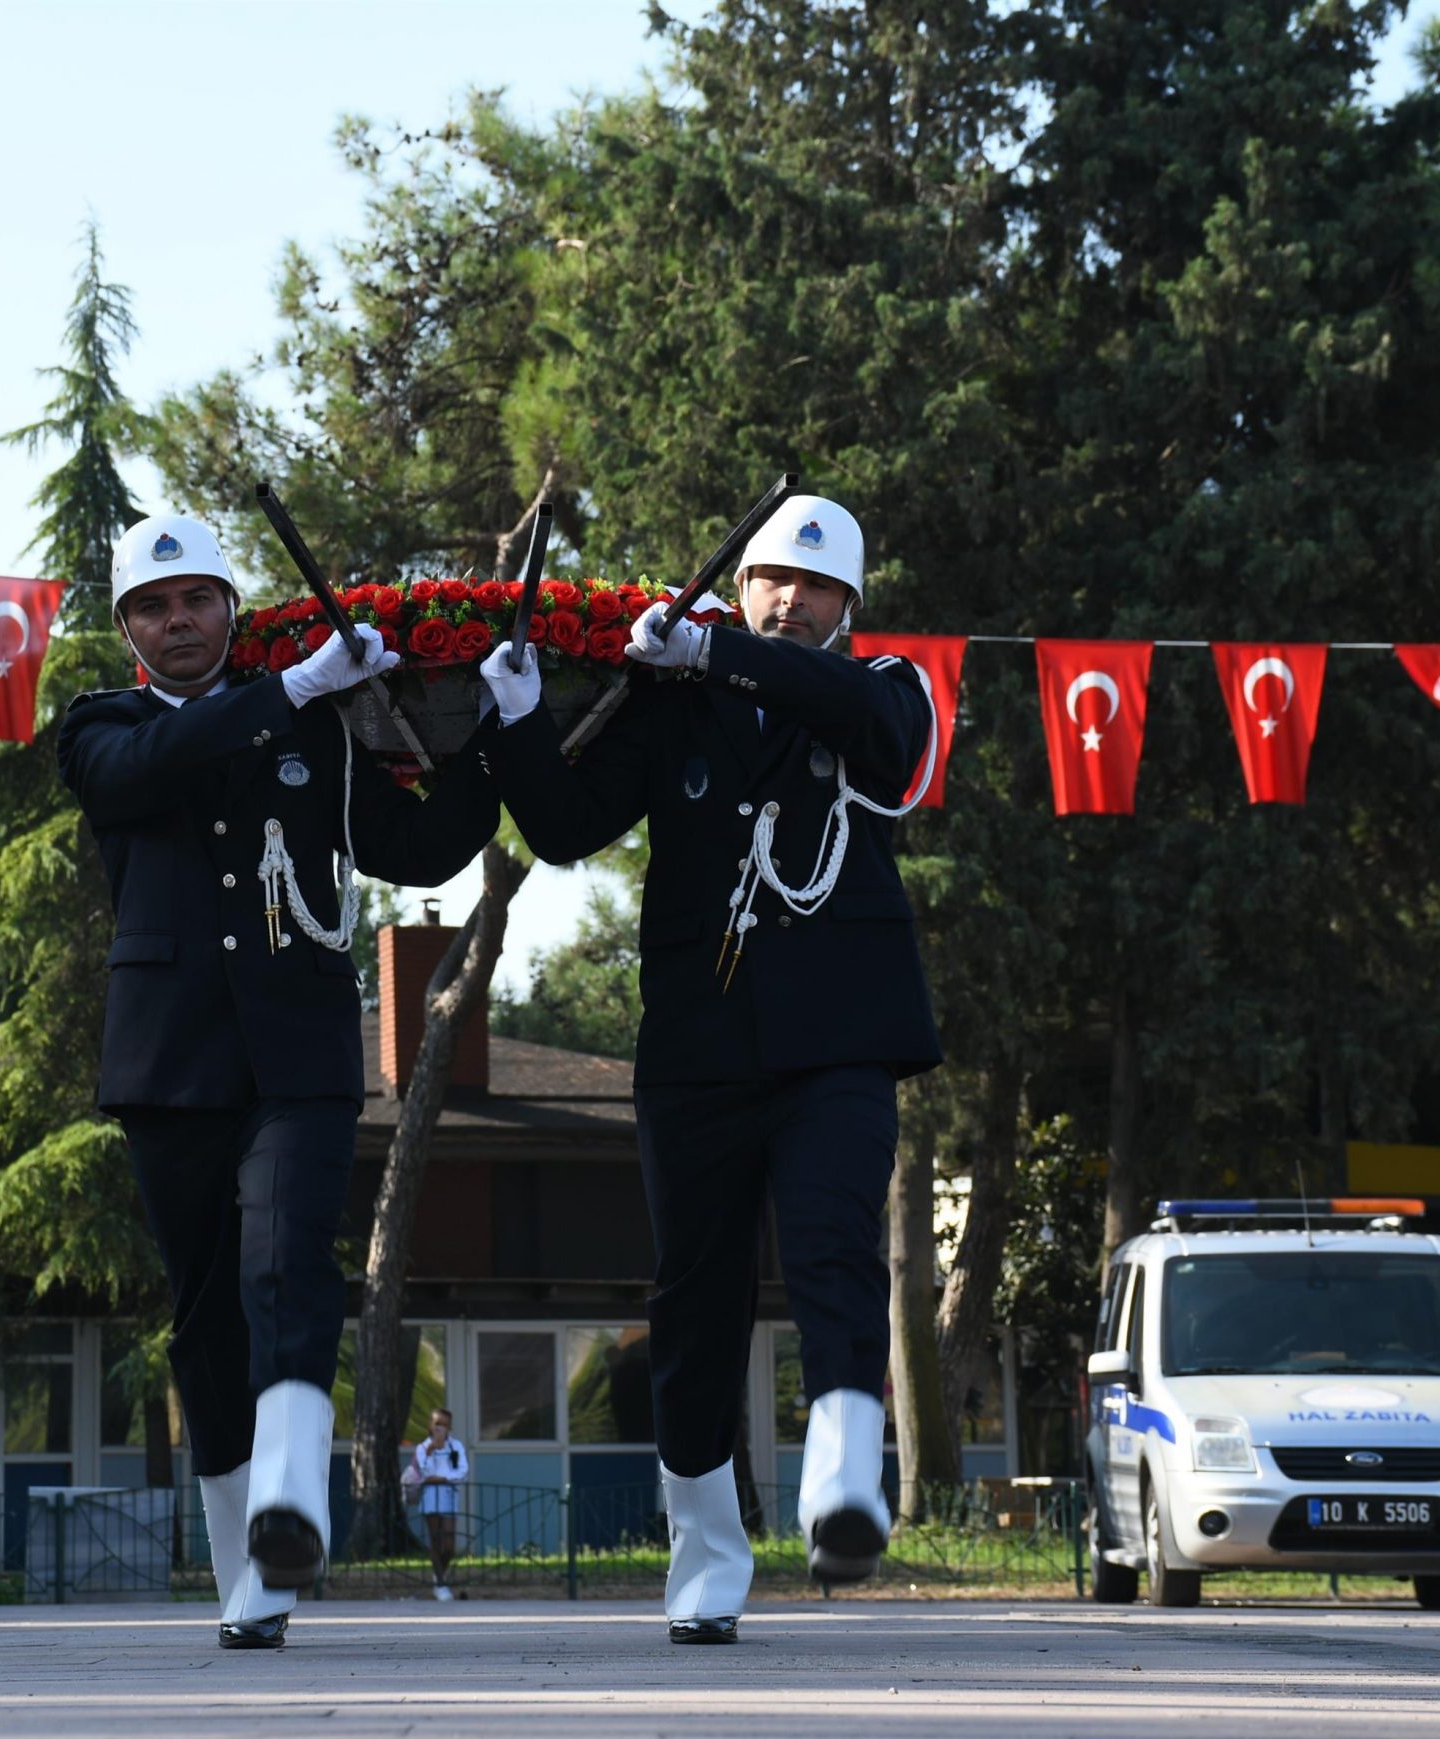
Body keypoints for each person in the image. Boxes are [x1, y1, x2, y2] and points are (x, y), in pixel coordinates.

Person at [479, 495, 941, 1644]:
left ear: (848, 605)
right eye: (768, 580)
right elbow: (567, 825)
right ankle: (705, 1555)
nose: (789, 598)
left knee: (835, 1247)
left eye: (815, 585)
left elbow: (887, 743)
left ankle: (842, 1481)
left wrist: (715, 650)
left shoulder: (886, 686)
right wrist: (519, 720)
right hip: (697, 1045)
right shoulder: (673, 702)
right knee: (694, 1297)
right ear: (738, 588)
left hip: (839, 1039)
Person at [54, 513, 501, 1649]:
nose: (179, 621)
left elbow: (422, 847)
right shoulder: (101, 725)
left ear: (230, 608)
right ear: (127, 631)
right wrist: (294, 686)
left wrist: (488, 721)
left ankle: (294, 1500)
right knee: (205, 1316)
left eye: (197, 598)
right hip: (169, 1060)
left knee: (286, 1260)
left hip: (299, 1050)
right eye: (153, 607)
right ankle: (244, 1574)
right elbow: (153, 767)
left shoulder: (318, 728)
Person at [405, 1408, 469, 1599]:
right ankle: (440, 1583)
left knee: (448, 1543)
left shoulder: (455, 1446)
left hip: (448, 1497)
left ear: (449, 1427)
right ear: (430, 1426)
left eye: (444, 1424)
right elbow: (423, 1473)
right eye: (436, 1424)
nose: (440, 1428)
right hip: (430, 1498)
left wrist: (442, 1478)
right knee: (436, 1539)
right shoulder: (423, 1448)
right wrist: (432, 1450)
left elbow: (462, 1472)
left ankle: (439, 1572)